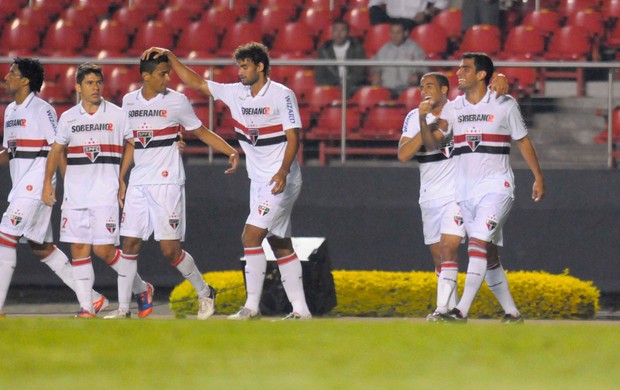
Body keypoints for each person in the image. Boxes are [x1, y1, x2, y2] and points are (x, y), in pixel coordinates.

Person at [142, 42, 313, 320]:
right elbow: (196, 82)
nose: (240, 72)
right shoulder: (236, 93)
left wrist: (282, 172)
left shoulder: (282, 95)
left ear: (260, 66)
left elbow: (294, 137)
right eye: (238, 67)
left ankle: (251, 307)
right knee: (279, 242)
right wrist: (172, 57)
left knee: (250, 235)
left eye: (245, 66)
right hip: (258, 181)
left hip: (281, 179)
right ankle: (301, 310)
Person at [118, 53, 239, 320]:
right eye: (162, 73)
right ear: (145, 76)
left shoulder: (176, 101)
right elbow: (131, 142)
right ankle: (123, 309)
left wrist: (230, 150)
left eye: (167, 72)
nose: (167, 78)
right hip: (138, 182)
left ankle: (205, 292)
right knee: (128, 244)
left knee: (170, 250)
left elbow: (201, 130)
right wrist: (121, 178)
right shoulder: (128, 102)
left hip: (167, 182)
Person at [399, 71, 524, 323]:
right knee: (449, 256)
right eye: (422, 87)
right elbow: (403, 154)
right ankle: (506, 311)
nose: (424, 91)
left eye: (430, 86)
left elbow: (482, 97)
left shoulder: (458, 111)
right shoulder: (414, 116)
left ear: (445, 90)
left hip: (461, 194)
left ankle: (446, 310)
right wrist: (426, 122)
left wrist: (498, 76)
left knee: (451, 248)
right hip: (430, 195)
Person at [42, 63, 157, 319]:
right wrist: (48, 182)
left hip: (105, 191)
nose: (95, 87)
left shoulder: (117, 115)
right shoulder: (68, 117)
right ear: (78, 87)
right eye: (89, 83)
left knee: (104, 250)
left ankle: (142, 288)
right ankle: (87, 308)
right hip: (75, 195)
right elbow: (57, 150)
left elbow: (131, 144)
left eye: (98, 82)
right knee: (79, 249)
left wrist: (121, 175)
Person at [436, 52, 545, 323]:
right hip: (464, 193)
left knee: (476, 243)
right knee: (490, 254)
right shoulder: (453, 107)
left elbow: (522, 140)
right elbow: (438, 137)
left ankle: (460, 311)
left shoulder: (504, 103)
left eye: (465, 69)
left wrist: (538, 177)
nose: (459, 73)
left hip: (497, 188)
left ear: (482, 74)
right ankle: (512, 313)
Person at [0, 58, 108, 317]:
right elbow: (10, 151)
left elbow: (58, 146)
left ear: (25, 80)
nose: (6, 77)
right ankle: (93, 299)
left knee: (5, 235)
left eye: (12, 73)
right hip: (20, 187)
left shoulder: (42, 110)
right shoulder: (10, 111)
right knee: (41, 246)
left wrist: (63, 183)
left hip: (37, 184)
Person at [369, 21, 429, 98]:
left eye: (398, 32)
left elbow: (425, 70)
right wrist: (375, 73)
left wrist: (418, 75)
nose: (395, 36)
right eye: (393, 32)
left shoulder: (414, 48)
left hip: (408, 90)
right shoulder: (384, 50)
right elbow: (374, 69)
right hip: (388, 89)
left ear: (405, 33)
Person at [315, 19, 367, 98]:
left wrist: (346, 86)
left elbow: (359, 73)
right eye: (336, 30)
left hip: (353, 87)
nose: (338, 34)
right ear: (332, 32)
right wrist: (333, 87)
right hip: (331, 87)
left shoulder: (357, 48)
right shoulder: (324, 49)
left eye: (342, 30)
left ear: (348, 32)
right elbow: (320, 75)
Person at [369, 0, 449, 31]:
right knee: (374, 10)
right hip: (391, 21)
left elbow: (442, 3)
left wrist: (426, 12)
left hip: (412, 22)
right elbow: (373, 3)